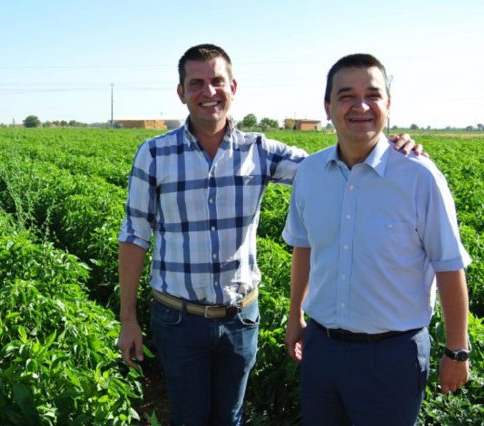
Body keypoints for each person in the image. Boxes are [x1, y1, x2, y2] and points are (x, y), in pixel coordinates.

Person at [117, 44, 420, 425]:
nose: (209, 92)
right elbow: (134, 235)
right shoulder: (154, 154)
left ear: (233, 87)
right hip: (178, 318)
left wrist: (386, 146)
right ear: (181, 92)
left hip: (240, 319)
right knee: (188, 416)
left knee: (230, 417)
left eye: (217, 81)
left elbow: (330, 165)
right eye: (196, 83)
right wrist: (128, 318)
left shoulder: (258, 150)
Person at [282, 54, 470, 425]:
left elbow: (449, 266)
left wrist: (457, 351)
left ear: (388, 104)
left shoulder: (419, 177)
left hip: (392, 357)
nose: (361, 106)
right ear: (327, 107)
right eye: (347, 96)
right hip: (321, 348)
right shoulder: (310, 173)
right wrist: (294, 316)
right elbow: (303, 247)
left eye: (372, 95)